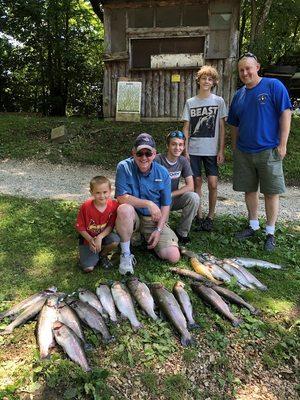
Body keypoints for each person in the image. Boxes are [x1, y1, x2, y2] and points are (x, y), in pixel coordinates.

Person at [227, 52, 292, 251]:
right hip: (244, 152)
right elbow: (234, 124)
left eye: (248, 68)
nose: (245, 73)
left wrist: (283, 144)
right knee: (249, 190)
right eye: (241, 70)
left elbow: (285, 113)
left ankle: (270, 232)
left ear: (257, 67)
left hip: (268, 149)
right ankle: (253, 225)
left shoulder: (273, 86)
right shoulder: (239, 95)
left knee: (271, 192)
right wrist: (235, 146)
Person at [115, 133, 180, 275]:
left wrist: (158, 230)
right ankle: (126, 255)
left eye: (148, 153)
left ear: (154, 154)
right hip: (133, 217)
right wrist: (148, 203)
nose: (144, 157)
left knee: (173, 257)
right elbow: (121, 197)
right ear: (133, 152)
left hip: (153, 220)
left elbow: (165, 205)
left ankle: (142, 237)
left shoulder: (163, 173)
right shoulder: (123, 167)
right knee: (124, 209)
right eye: (140, 153)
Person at [182, 65, 227, 232]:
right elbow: (186, 127)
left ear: (213, 82)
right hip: (193, 149)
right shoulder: (190, 102)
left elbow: (222, 127)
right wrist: (185, 150)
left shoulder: (218, 101)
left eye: (210, 79)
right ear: (198, 81)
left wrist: (221, 150)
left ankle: (211, 216)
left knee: (213, 184)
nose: (206, 81)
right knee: (197, 183)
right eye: (203, 78)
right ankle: (199, 215)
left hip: (211, 150)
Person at [155, 130, 199, 244]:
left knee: (194, 197)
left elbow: (190, 186)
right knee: (164, 235)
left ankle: (182, 233)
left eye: (180, 145)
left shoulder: (183, 161)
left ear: (184, 147)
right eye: (174, 144)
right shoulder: (158, 160)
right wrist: (165, 196)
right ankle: (162, 231)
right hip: (158, 199)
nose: (177, 148)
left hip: (173, 197)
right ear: (167, 145)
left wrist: (170, 194)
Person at [75, 176, 120, 272]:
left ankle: (102, 256)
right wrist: (91, 240)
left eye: (105, 192)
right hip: (88, 238)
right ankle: (90, 258)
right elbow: (80, 227)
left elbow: (110, 226)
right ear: (91, 192)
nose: (102, 196)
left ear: (110, 191)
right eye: (98, 193)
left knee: (115, 240)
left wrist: (99, 237)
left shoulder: (113, 205)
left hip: (103, 237)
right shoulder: (86, 206)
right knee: (88, 268)